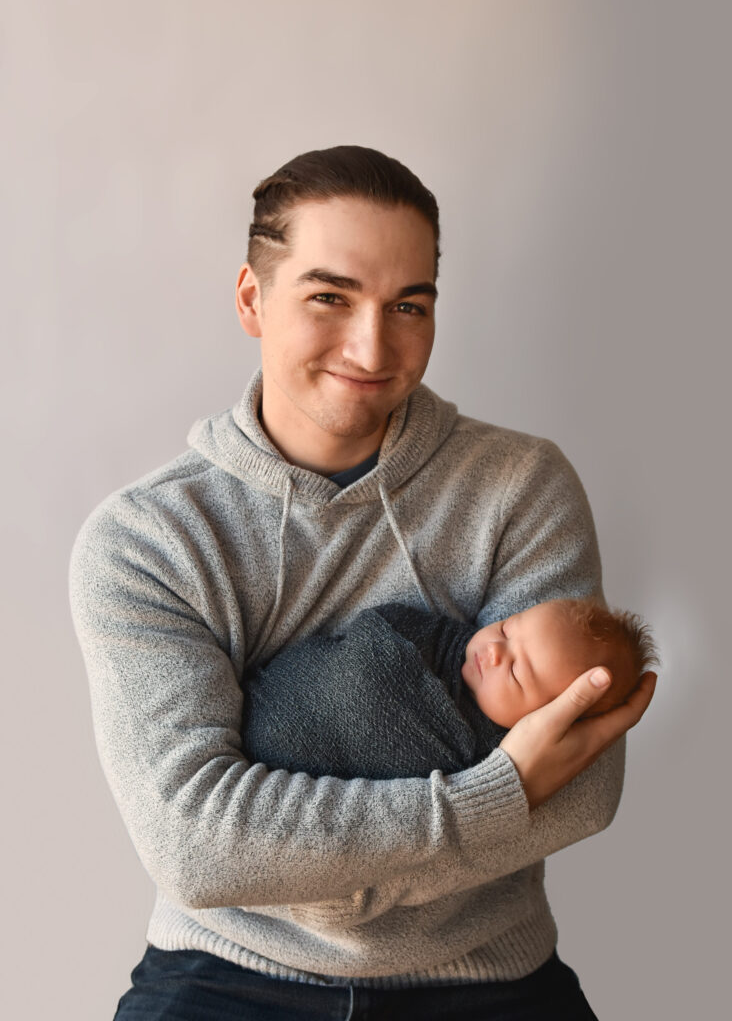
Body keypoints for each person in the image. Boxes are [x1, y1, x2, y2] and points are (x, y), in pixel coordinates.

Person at [69, 145, 656, 1019]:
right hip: (226, 970)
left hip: (485, 974)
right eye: (329, 297)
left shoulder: (520, 486)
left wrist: (291, 853)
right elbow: (195, 845)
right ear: (251, 300)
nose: (372, 346)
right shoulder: (147, 539)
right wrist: (496, 795)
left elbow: (582, 786)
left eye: (408, 306)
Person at [240, 598, 659, 782]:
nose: (494, 651)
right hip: (274, 699)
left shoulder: (490, 758)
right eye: (507, 628)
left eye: (516, 674)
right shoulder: (440, 638)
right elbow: (378, 630)